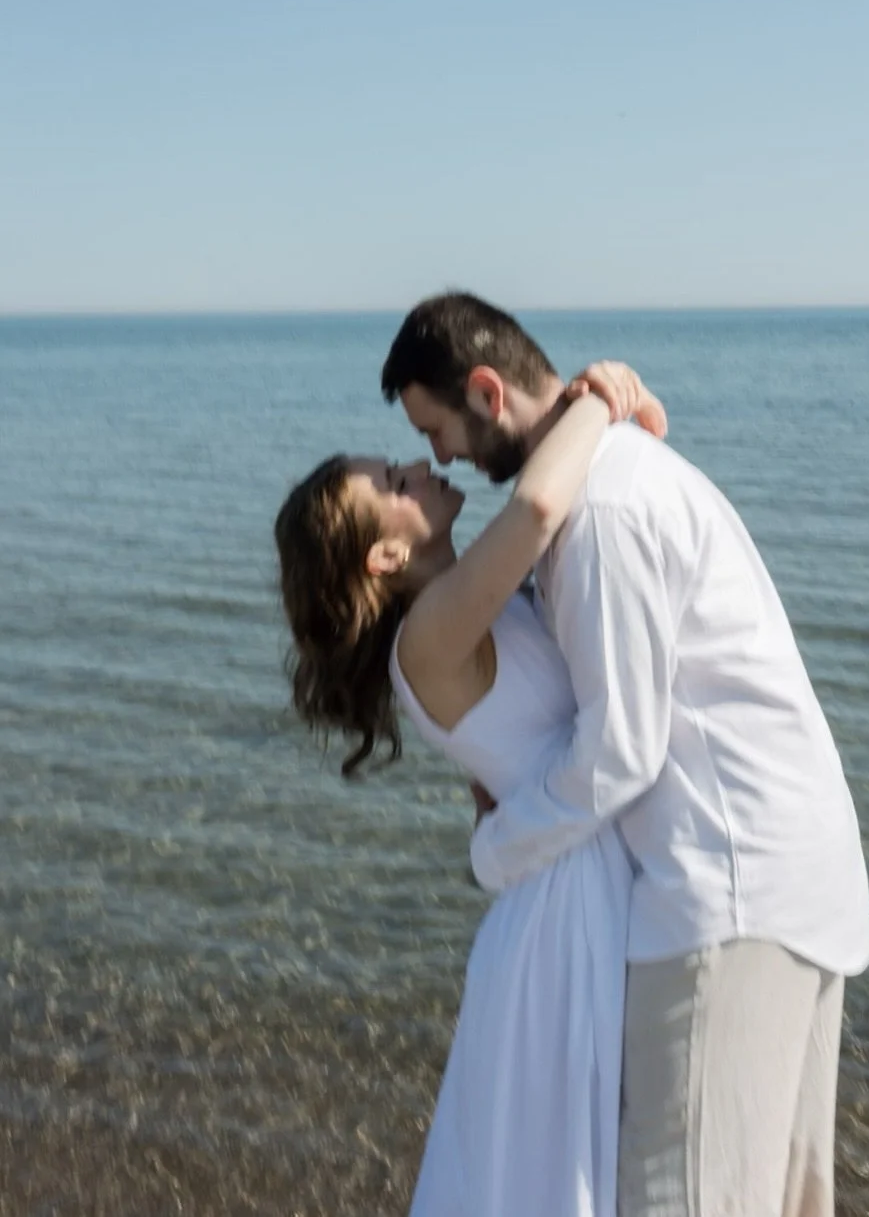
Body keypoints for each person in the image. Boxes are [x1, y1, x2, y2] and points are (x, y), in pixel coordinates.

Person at [382, 291, 869, 1217]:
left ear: (487, 393)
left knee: (682, 1197)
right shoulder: (611, 477)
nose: (438, 453)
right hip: (782, 879)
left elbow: (619, 753)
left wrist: (497, 847)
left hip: (725, 892)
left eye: (437, 427)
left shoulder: (599, 512)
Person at [274, 362, 666, 1217]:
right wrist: (600, 395)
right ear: (387, 553)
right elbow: (534, 505)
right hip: (568, 910)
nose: (422, 469)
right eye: (395, 481)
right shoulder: (430, 635)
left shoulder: (470, 608)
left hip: (573, 870)